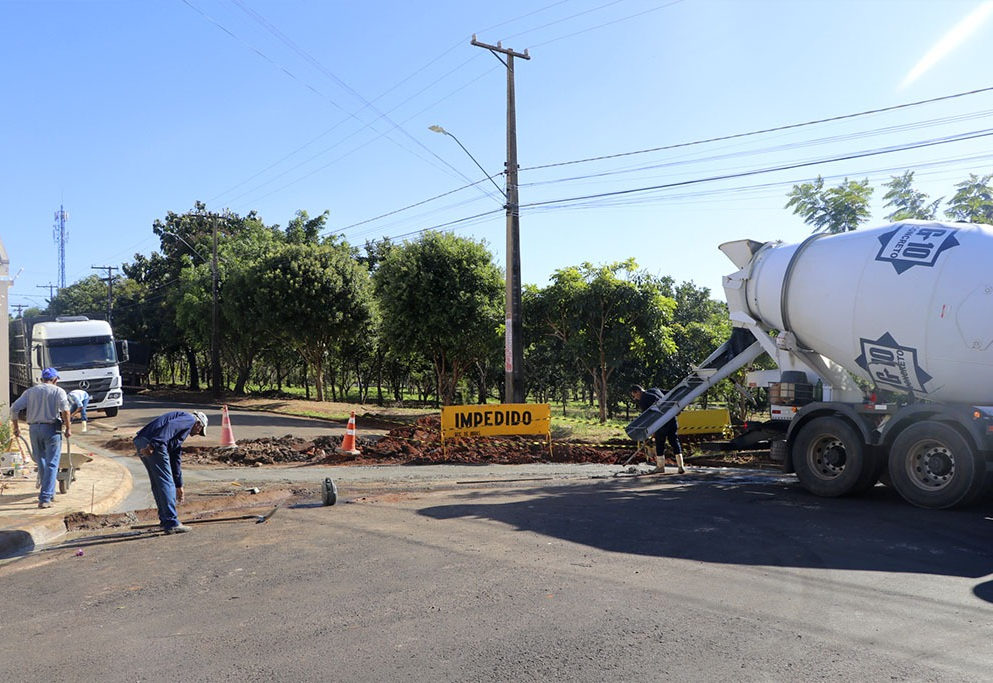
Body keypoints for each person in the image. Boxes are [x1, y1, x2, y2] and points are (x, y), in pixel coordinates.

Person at [133, 410, 208, 534]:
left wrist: (179, 484)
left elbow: (175, 459)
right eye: (199, 431)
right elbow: (170, 426)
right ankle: (171, 522)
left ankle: (165, 520)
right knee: (166, 483)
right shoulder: (189, 419)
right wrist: (153, 445)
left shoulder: (178, 435)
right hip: (152, 443)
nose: (195, 434)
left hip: (142, 440)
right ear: (199, 424)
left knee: (158, 483)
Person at [10, 368, 71, 508]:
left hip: (34, 429)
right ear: (55, 380)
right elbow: (65, 411)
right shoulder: (58, 391)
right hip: (51, 429)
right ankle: (45, 498)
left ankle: (49, 493)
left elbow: (14, 408)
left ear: (41, 379)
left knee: (42, 462)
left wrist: (16, 427)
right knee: (52, 463)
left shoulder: (30, 392)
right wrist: (68, 428)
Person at [629, 384, 685, 475]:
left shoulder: (643, 400)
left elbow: (649, 417)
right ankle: (680, 466)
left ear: (638, 392)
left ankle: (660, 467)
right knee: (674, 441)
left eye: (634, 395)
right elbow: (672, 394)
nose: (635, 398)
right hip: (671, 419)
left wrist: (653, 430)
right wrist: (678, 409)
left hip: (661, 423)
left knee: (660, 443)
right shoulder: (655, 390)